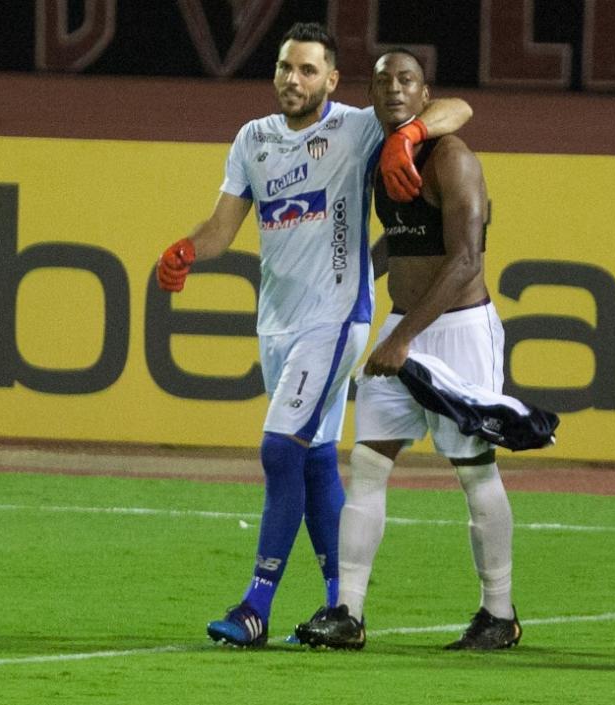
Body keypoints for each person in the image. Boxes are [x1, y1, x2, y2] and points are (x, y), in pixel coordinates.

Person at [155, 23, 472, 648]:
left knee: (279, 451)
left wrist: (409, 131)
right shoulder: (253, 139)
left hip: (335, 319)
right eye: (283, 68)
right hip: (276, 321)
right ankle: (339, 609)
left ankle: (255, 606)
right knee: (317, 459)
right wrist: (189, 248)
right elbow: (224, 227)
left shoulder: (355, 128)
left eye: (306, 70)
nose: (291, 80)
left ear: (331, 80)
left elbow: (458, 109)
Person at [293, 49, 522, 651]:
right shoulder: (382, 156)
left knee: (473, 469)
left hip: (459, 331)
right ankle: (347, 612)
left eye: (407, 81)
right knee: (368, 464)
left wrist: (400, 337)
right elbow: (402, 241)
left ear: (425, 95)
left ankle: (499, 613)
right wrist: (359, 281)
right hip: (404, 324)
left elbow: (466, 259)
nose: (394, 89)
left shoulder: (453, 159)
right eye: (383, 81)